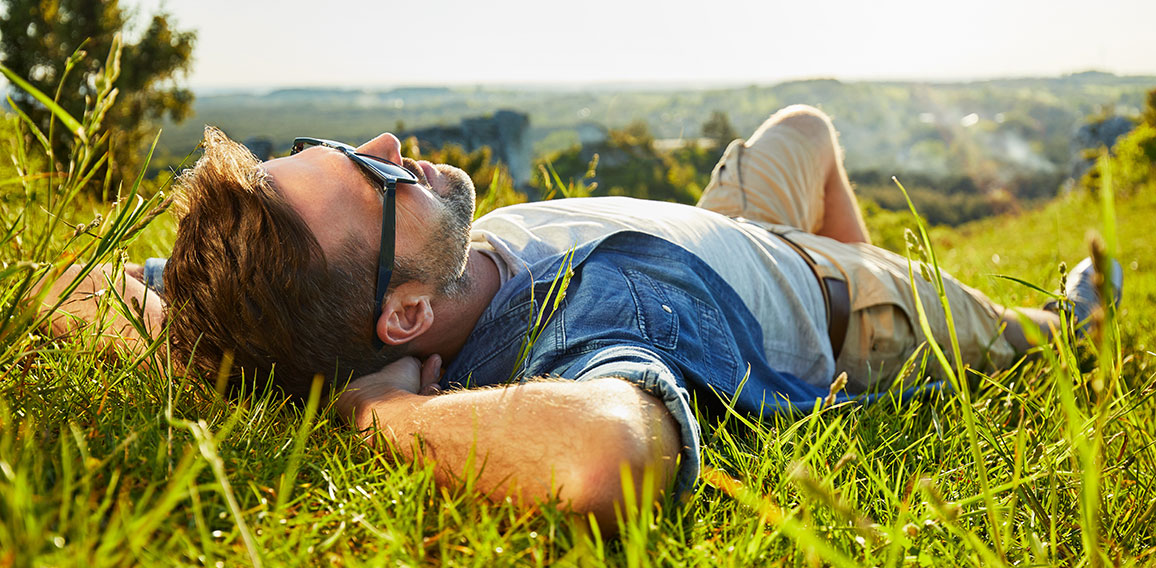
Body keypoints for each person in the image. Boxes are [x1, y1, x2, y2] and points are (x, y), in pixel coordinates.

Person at [38, 105, 1120, 527]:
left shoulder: (302, 281)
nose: (384, 143)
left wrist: (203, 346)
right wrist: (370, 418)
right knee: (1043, 334)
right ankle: (1071, 316)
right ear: (406, 315)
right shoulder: (568, 331)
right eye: (375, 183)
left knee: (804, 130)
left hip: (720, 223)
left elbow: (66, 287)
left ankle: (851, 246)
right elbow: (605, 458)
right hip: (855, 308)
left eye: (336, 148)